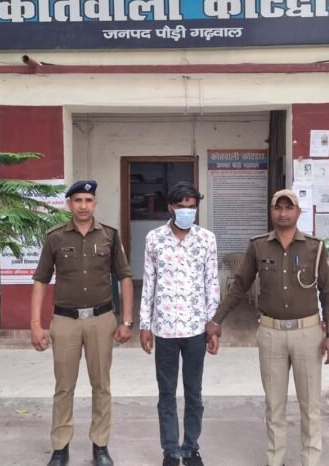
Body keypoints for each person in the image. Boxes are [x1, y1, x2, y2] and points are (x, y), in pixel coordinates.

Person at [206, 190, 329, 466]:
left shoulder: (315, 247)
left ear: (298, 212)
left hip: (307, 334)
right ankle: (275, 460)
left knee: (310, 406)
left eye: (289, 208)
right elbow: (239, 286)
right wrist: (217, 320)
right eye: (278, 208)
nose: (283, 213)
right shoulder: (258, 247)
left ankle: (310, 460)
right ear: (271, 211)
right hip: (270, 334)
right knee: (274, 405)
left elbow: (328, 292)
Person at [29, 179, 134, 466]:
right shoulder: (55, 237)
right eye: (78, 200)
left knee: (101, 386)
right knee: (64, 386)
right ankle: (60, 447)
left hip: (101, 320)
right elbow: (40, 280)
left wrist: (126, 320)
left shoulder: (110, 236)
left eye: (88, 201)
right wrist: (36, 324)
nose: (83, 206)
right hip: (65, 321)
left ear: (95, 204)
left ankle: (100, 446)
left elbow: (124, 277)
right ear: (69, 204)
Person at [139, 182, 219, 466]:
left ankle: (191, 447)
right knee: (166, 393)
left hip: (196, 329)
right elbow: (149, 282)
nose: (187, 211)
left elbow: (212, 283)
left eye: (192, 206)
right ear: (171, 207)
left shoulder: (207, 239)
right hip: (164, 329)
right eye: (182, 206)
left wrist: (213, 324)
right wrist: (145, 325)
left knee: (194, 393)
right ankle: (171, 449)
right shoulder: (154, 239)